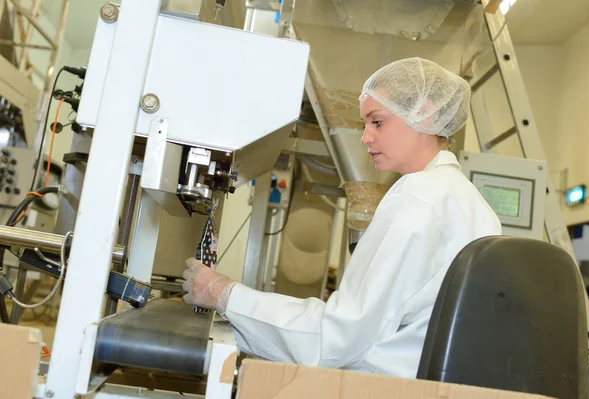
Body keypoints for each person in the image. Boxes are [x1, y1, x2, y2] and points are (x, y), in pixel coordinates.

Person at [182, 57, 502, 378]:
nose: (364, 138)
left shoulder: (419, 196)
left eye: (377, 122)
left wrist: (224, 295)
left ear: (426, 112)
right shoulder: (471, 203)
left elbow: (338, 339)